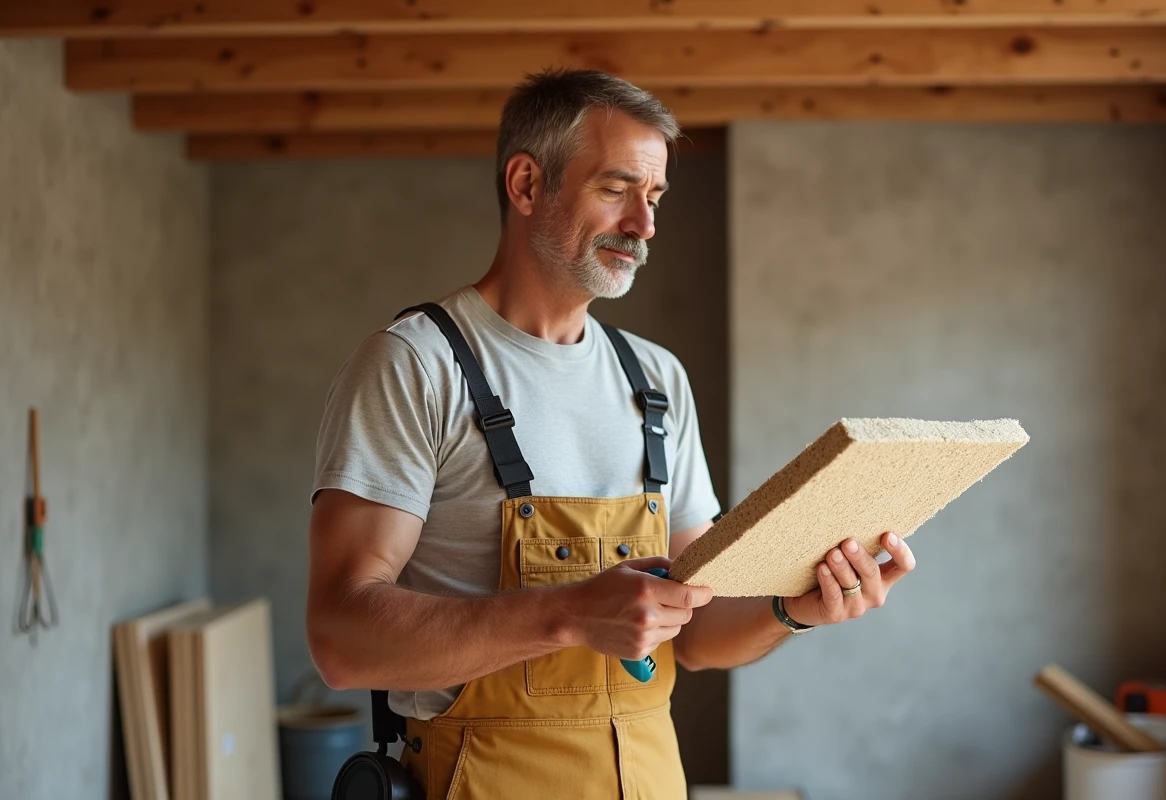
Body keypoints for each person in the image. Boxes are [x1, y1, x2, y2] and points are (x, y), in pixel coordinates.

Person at [305, 67, 917, 800]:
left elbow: (693, 633)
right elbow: (341, 638)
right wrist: (566, 613)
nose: (645, 225)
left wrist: (792, 609)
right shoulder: (415, 365)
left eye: (653, 197)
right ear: (527, 185)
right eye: (616, 189)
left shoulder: (655, 380)